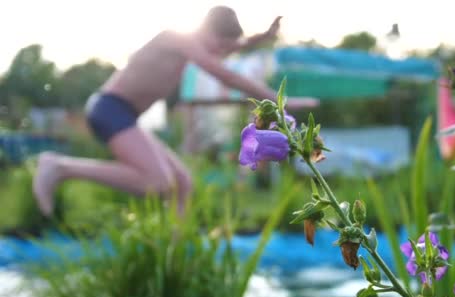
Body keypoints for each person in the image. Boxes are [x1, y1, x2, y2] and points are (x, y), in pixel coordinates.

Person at [33, 6, 319, 216]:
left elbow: (235, 45)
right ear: (206, 31)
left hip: (126, 116)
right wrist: (283, 102)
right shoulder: (178, 39)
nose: (219, 53)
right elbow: (227, 76)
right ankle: (59, 166)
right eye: (218, 46)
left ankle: (174, 251)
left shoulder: (198, 46)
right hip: (109, 109)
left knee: (183, 183)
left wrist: (265, 36)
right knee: (157, 183)